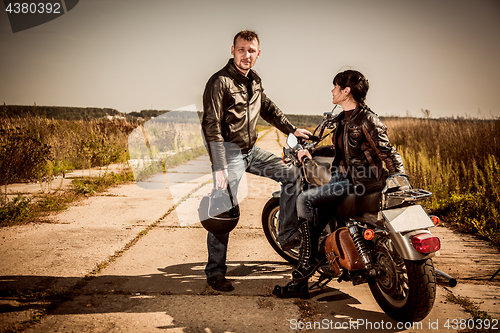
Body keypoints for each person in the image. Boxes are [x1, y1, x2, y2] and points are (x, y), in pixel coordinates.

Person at [273, 69, 405, 298]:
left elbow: (387, 152)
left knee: (305, 198)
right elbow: (340, 149)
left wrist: (400, 180)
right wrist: (311, 151)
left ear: (346, 91)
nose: (332, 91)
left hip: (356, 182)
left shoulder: (367, 119)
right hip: (343, 179)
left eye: (335, 86)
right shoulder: (344, 119)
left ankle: (308, 261)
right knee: (318, 219)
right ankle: (316, 256)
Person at [201, 30, 311, 291]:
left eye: (251, 51)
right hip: (229, 155)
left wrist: (291, 129)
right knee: (223, 211)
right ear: (232, 50)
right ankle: (215, 272)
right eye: (241, 49)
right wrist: (219, 167)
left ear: (258, 54)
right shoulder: (220, 82)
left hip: (251, 151)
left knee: (292, 174)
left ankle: (286, 235)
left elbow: (268, 108)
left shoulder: (255, 82)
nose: (246, 55)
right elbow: (211, 125)